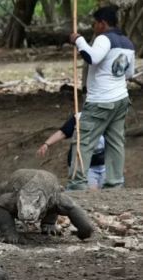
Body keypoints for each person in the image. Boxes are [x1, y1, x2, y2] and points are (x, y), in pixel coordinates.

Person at [68, 6, 135, 190]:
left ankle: (77, 183)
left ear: (102, 24)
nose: (94, 27)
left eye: (95, 23)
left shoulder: (103, 38)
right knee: (115, 142)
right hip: (121, 99)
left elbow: (93, 57)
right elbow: (128, 73)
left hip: (100, 100)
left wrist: (78, 40)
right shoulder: (127, 42)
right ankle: (114, 183)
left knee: (84, 140)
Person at [36, 113, 106, 190]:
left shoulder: (112, 115)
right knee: (90, 191)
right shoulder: (78, 117)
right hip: (83, 165)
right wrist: (47, 144)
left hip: (105, 163)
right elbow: (63, 133)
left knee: (107, 191)